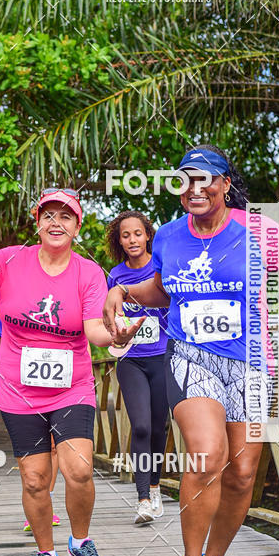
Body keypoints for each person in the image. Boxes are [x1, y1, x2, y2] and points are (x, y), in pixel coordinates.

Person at [103, 145, 279, 556]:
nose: (195, 188)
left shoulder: (259, 230)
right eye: (185, 180)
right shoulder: (168, 236)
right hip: (191, 357)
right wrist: (124, 291)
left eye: (205, 179)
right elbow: (163, 289)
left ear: (226, 184)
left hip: (254, 362)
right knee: (207, 456)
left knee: (243, 473)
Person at [0, 188, 143, 556]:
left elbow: (95, 329)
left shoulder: (88, 273)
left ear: (78, 226)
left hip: (71, 387)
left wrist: (116, 335)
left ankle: (81, 541)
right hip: (18, 390)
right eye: (48, 215)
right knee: (35, 479)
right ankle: (46, 553)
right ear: (37, 222)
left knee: (79, 469)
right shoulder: (10, 260)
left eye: (66, 216)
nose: (56, 222)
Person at [106, 211, 169, 524]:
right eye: (125, 235)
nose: (132, 240)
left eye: (137, 233)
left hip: (163, 356)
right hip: (131, 359)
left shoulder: (161, 268)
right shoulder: (115, 276)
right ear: (119, 241)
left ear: (148, 236)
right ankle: (143, 498)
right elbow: (109, 319)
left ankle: (155, 486)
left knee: (159, 427)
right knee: (141, 426)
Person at [0, 311, 61, 531]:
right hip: (20, 389)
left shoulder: (62, 301)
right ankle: (36, 502)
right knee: (32, 453)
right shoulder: (11, 302)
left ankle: (47, 502)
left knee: (54, 447)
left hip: (57, 384)